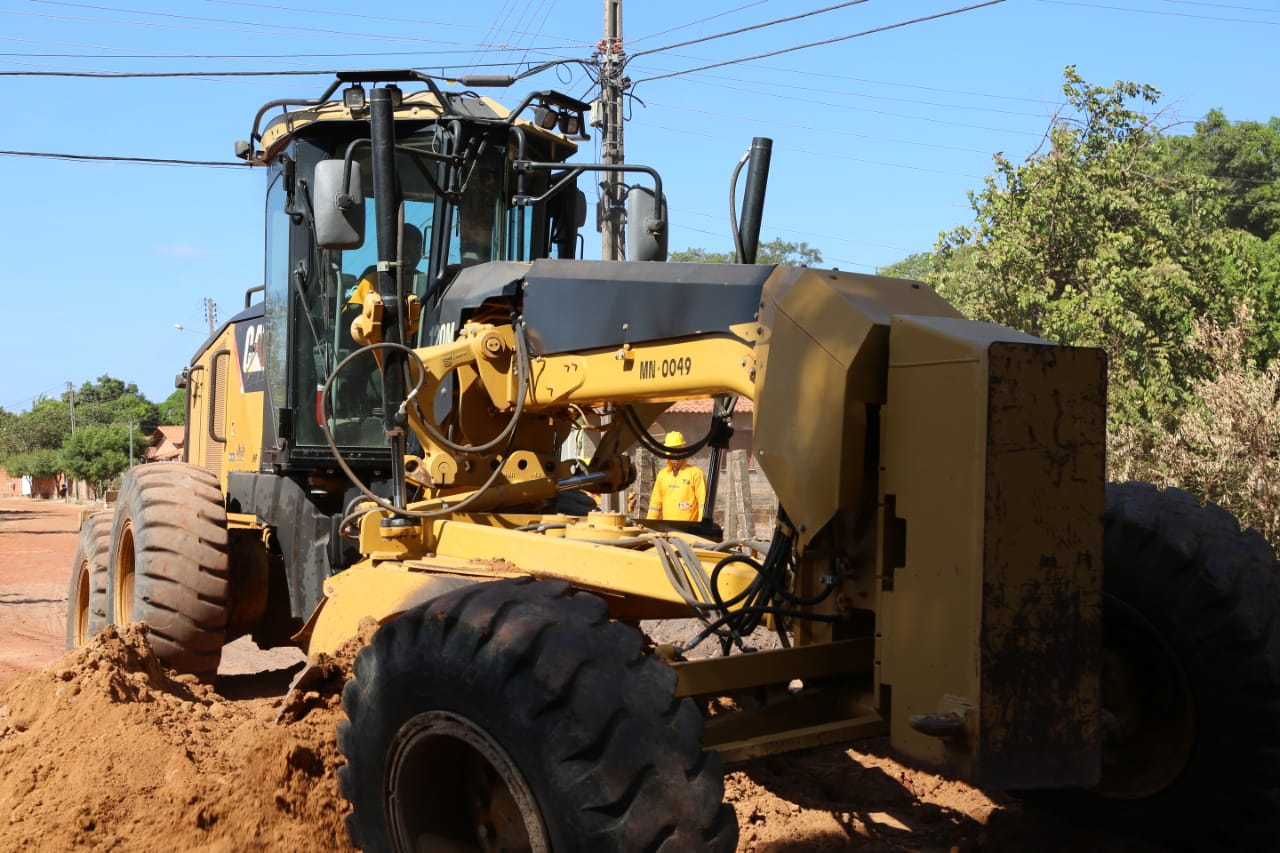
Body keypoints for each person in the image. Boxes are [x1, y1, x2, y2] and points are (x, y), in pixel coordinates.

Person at [646, 431, 707, 522]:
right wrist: (649, 526)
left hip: (690, 530)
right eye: (672, 452)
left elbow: (703, 503)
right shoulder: (662, 475)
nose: (676, 456)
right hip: (668, 530)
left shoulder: (695, 473)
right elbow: (655, 505)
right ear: (667, 453)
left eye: (678, 451)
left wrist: (702, 526)